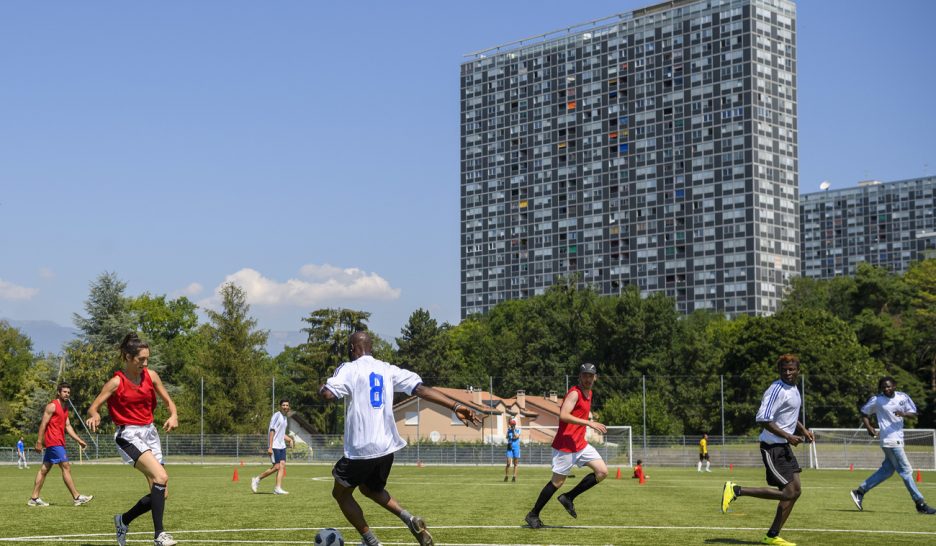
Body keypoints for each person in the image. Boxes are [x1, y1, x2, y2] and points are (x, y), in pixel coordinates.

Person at [318, 331, 481, 546]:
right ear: (371, 348)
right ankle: (409, 518)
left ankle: (371, 541)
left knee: (340, 494)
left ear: (351, 349)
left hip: (361, 449)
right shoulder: (387, 369)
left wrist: (322, 388)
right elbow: (421, 389)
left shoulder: (349, 368)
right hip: (387, 447)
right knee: (369, 489)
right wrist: (456, 406)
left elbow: (329, 394)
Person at [85, 333, 179, 546]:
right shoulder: (116, 382)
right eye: (140, 360)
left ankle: (123, 520)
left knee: (160, 493)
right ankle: (159, 535)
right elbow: (93, 407)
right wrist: (95, 415)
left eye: (147, 359)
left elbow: (169, 402)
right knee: (161, 477)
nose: (144, 364)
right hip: (128, 435)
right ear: (128, 357)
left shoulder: (151, 376)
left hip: (150, 433)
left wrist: (173, 415)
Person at [721, 354, 813, 546]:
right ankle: (736, 490)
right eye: (784, 369)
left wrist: (803, 430)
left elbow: (787, 415)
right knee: (789, 492)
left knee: (795, 491)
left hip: (784, 446)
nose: (788, 373)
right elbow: (763, 419)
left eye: (791, 369)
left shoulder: (794, 389)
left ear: (798, 370)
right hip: (772, 447)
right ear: (779, 370)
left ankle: (772, 536)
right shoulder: (775, 390)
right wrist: (788, 436)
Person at [525, 363, 608, 529]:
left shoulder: (589, 393)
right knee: (557, 482)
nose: (587, 379)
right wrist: (589, 423)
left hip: (580, 444)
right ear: (579, 376)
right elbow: (563, 415)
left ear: (595, 377)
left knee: (602, 472)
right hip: (565, 445)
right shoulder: (574, 393)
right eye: (584, 375)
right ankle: (533, 514)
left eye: (590, 376)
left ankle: (568, 498)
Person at [849, 377, 936, 515]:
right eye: (883, 387)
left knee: (887, 471)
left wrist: (903, 413)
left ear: (895, 385)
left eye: (889, 386)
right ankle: (920, 503)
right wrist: (869, 428)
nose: (886, 389)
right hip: (889, 440)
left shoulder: (903, 397)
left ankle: (859, 492)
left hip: (898, 439)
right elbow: (864, 413)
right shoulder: (877, 400)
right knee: (906, 471)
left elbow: (914, 414)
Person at [28, 383, 93, 507]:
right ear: (59, 392)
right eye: (64, 392)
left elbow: (68, 426)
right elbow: (43, 424)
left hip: (58, 442)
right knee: (66, 466)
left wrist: (79, 440)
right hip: (54, 442)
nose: (67, 394)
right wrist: (39, 442)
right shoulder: (52, 406)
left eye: (68, 392)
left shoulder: (65, 408)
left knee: (44, 470)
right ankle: (77, 497)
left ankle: (34, 498)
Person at [251, 399, 295, 494]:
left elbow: (281, 434)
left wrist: (290, 439)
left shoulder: (285, 418)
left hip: (281, 446)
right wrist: (270, 447)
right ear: (280, 406)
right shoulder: (277, 415)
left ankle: (277, 488)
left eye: (287, 405)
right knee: (276, 466)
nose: (285, 407)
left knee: (282, 466)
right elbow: (272, 431)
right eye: (283, 405)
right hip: (274, 445)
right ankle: (257, 479)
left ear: (289, 407)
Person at [504, 417, 521, 482]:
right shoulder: (509, 430)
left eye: (513, 425)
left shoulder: (518, 430)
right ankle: (506, 476)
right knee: (508, 463)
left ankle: (514, 476)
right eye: (511, 425)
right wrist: (508, 431)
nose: (512, 426)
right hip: (509, 447)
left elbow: (516, 436)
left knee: (515, 463)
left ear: (515, 425)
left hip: (516, 447)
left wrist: (513, 430)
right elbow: (506, 437)